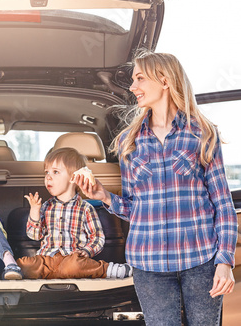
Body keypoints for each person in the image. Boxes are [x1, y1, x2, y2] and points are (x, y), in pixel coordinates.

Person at [76, 49, 238, 326]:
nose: (132, 86)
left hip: (200, 258)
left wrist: (225, 261)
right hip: (148, 263)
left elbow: (222, 204)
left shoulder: (202, 133)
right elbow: (134, 208)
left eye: (139, 78)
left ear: (164, 79)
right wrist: (103, 196)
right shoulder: (129, 141)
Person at [17, 147, 132, 279]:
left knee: (75, 266)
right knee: (24, 264)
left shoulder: (85, 208)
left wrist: (86, 251)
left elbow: (97, 237)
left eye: (55, 172)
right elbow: (35, 236)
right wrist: (34, 212)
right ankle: (14, 269)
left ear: (74, 178)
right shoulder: (45, 207)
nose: (48, 177)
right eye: (46, 172)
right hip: (46, 259)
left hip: (71, 258)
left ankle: (110, 269)